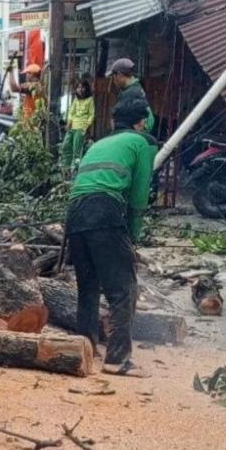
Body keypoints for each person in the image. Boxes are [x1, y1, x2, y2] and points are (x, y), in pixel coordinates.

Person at [66, 97, 157, 378]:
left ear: (112, 121)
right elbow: (139, 195)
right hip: (105, 211)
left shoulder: (98, 143)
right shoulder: (143, 143)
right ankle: (117, 359)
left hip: (75, 211)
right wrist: (133, 234)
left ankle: (85, 349)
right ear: (141, 123)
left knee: (88, 285)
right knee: (122, 289)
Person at [108, 58, 155, 133]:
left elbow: (121, 122)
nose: (114, 81)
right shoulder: (135, 88)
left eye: (114, 77)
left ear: (119, 75)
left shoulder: (131, 93)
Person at [61, 78, 95, 171]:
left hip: (81, 127)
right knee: (66, 146)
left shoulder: (90, 100)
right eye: (78, 87)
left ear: (86, 89)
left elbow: (91, 114)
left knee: (77, 149)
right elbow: (71, 112)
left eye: (82, 87)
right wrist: (69, 122)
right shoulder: (76, 100)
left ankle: (75, 170)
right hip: (72, 127)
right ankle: (65, 168)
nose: (80, 89)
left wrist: (86, 127)